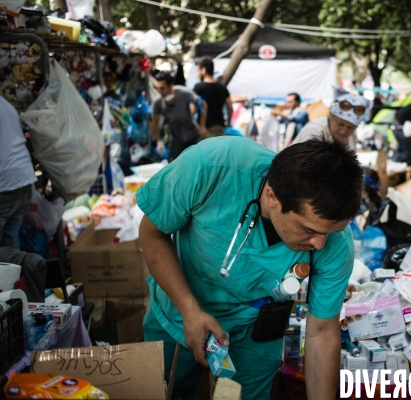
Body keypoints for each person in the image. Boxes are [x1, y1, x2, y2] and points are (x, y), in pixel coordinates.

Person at [137, 135, 363, 399]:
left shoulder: (337, 244)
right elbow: (153, 232)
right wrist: (189, 311)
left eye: (331, 232)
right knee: (166, 390)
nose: (320, 244)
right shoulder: (211, 167)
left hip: (255, 331)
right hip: (177, 311)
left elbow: (322, 332)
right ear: (271, 197)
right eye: (309, 230)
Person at [0, 96, 36, 249]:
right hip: (23, 176)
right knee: (10, 240)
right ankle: (14, 273)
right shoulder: (5, 104)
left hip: (6, 181)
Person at [292, 86, 372, 149]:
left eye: (350, 127)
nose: (343, 131)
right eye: (340, 124)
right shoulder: (313, 133)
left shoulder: (352, 134)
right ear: (331, 117)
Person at [151, 72, 206, 162]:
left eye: (162, 88)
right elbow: (155, 122)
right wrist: (159, 141)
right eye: (157, 89)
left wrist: (202, 126)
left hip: (192, 135)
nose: (159, 91)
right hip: (175, 137)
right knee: (175, 164)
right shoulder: (157, 102)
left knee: (197, 161)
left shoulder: (184, 93)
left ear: (171, 86)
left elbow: (202, 104)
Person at [194, 57, 233, 137]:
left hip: (203, 128)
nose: (197, 74)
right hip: (218, 127)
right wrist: (228, 123)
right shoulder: (222, 87)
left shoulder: (198, 87)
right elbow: (230, 107)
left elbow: (193, 108)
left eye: (197, 70)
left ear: (203, 70)